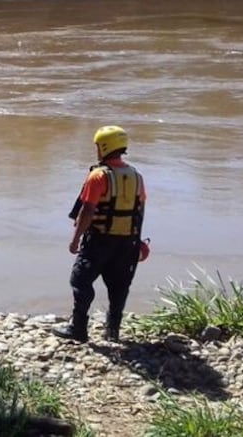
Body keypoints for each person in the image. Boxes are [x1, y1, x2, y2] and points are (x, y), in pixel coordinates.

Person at [55, 125, 147, 343]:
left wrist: (76, 238)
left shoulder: (97, 176)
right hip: (127, 243)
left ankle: (78, 329)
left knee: (80, 281)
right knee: (119, 286)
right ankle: (112, 331)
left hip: (99, 241)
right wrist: (138, 243)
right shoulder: (137, 176)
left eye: (98, 146)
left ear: (104, 147)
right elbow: (139, 211)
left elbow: (87, 210)